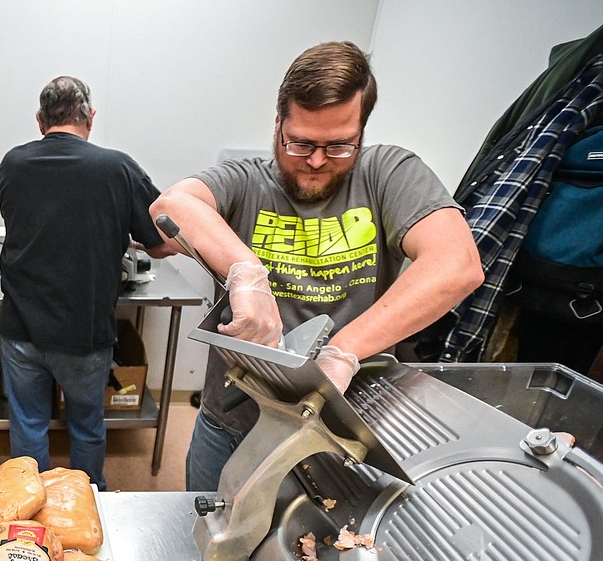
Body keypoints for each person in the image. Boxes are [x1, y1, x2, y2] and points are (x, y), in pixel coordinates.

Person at [149, 42, 484, 491]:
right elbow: (170, 205)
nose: (317, 160)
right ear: (278, 125)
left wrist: (344, 351)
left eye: (339, 145)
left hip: (341, 434)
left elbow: (457, 264)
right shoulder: (247, 180)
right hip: (233, 424)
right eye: (301, 142)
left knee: (324, 555)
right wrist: (246, 272)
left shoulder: (389, 173)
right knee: (210, 548)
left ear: (362, 132)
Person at [0, 75, 165, 490]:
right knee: (86, 423)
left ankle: (28, 509)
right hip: (84, 330)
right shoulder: (117, 167)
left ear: (40, 121)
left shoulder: (12, 164)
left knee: (29, 423)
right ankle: (88, 500)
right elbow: (161, 241)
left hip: (22, 327)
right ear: (90, 117)